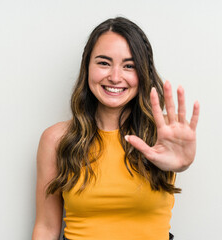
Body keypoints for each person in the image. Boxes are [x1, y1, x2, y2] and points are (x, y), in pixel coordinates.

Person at [32, 17, 200, 240]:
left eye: (129, 66)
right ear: (87, 67)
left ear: (143, 73)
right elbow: (46, 228)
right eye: (103, 63)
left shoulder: (166, 132)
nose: (115, 77)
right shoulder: (56, 139)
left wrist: (184, 163)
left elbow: (179, 158)